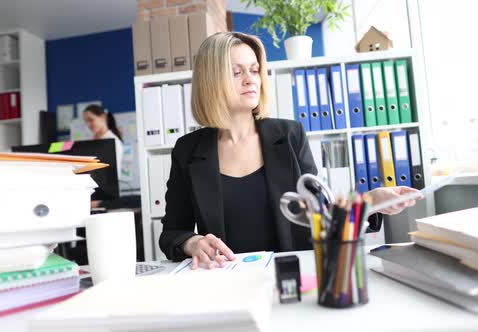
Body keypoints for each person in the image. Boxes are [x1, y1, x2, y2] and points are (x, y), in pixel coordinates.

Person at [159, 32, 420, 269]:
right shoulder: (188, 150)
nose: (251, 80)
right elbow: (171, 232)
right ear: (211, 82)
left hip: (295, 274)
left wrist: (372, 201)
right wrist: (191, 242)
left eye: (254, 70)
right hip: (228, 281)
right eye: (236, 72)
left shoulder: (289, 135)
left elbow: (322, 212)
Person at [82, 104, 123, 177]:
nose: (88, 125)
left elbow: (108, 169)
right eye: (86, 121)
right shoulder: (93, 140)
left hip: (109, 185)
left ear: (103, 117)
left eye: (91, 120)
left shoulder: (112, 140)